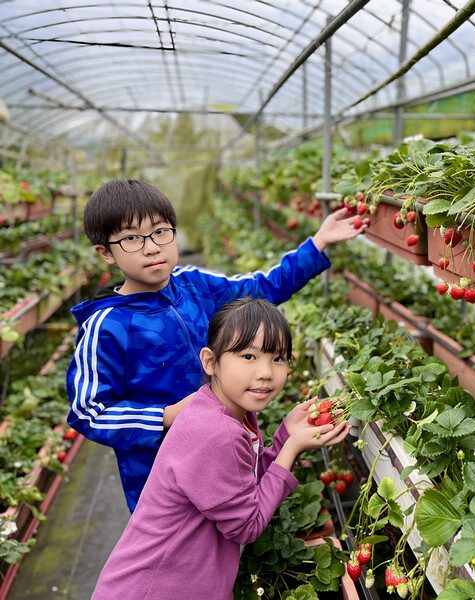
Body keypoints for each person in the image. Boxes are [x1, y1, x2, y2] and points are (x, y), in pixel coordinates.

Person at [67, 179, 363, 511]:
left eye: (161, 231)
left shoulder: (195, 285)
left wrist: (319, 242)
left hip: (228, 449)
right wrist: (166, 416)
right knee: (185, 549)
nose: (152, 247)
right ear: (105, 252)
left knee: (234, 527)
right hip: (163, 479)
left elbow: (260, 288)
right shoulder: (106, 327)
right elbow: (88, 413)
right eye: (132, 239)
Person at [92, 297, 351, 599]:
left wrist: (284, 437)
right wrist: (291, 448)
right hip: (153, 589)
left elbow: (242, 485)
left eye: (278, 358)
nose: (266, 371)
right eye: (249, 356)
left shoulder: (219, 409)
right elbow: (247, 525)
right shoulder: (217, 432)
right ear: (210, 361)